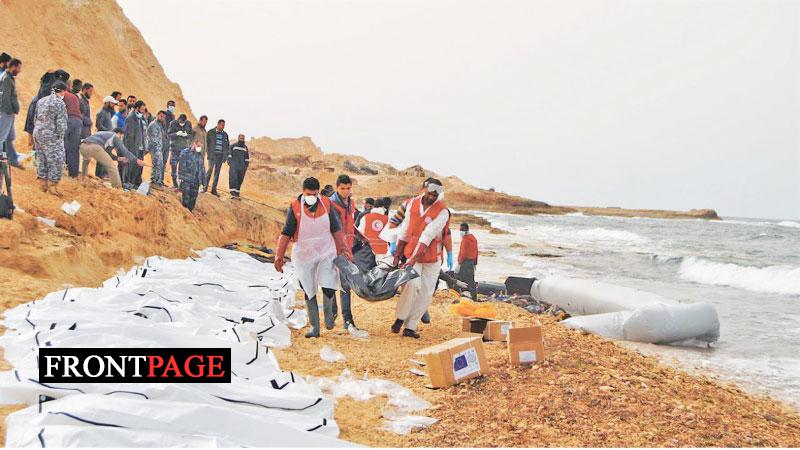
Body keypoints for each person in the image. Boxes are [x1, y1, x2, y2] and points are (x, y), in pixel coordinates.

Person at [274, 177, 352, 338]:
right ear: (303, 192)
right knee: (308, 289)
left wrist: (343, 248)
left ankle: (329, 316)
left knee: (329, 284)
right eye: (309, 194)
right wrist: (278, 256)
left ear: (318, 192)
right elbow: (286, 233)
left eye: (315, 194)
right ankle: (315, 328)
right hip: (304, 254)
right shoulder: (295, 207)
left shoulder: (326, 203)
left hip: (325, 250)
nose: (312, 197)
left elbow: (336, 228)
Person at [391, 179, 449, 338]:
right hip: (411, 252)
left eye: (435, 195)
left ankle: (410, 326)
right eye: (430, 193)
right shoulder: (412, 204)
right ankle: (400, 317)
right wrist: (397, 254)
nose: (432, 197)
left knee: (426, 293)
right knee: (411, 284)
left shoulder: (443, 212)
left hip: (432, 257)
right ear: (424, 189)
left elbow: (428, 235)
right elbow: (405, 230)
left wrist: (413, 259)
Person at [329, 174, 359, 330]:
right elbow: (335, 229)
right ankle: (332, 314)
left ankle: (347, 320)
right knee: (332, 283)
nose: (346, 191)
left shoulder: (351, 203)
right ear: (337, 188)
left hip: (347, 247)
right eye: (342, 188)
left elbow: (350, 224)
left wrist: (361, 236)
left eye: (348, 188)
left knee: (345, 284)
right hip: (334, 249)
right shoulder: (331, 204)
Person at [33, 81, 68, 195]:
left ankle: (42, 184)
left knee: (41, 157)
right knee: (57, 159)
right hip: (51, 135)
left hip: (38, 133)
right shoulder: (59, 103)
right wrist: (60, 137)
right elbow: (61, 123)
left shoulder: (41, 101)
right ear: (62, 91)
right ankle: (52, 185)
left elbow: (35, 118)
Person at [0, 58, 21, 169]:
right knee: (2, 137)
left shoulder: (8, 77)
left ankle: (12, 159)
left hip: (7, 113)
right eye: (19, 68)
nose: (19, 70)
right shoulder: (7, 79)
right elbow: (5, 97)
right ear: (13, 66)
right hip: (6, 113)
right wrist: (9, 112)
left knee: (9, 137)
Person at [61, 76, 83, 178]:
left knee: (62, 144)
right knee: (74, 148)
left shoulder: (63, 94)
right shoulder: (75, 97)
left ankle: (60, 168)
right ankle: (73, 174)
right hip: (78, 121)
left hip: (68, 119)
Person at [122, 100, 147, 188]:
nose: (143, 111)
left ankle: (134, 183)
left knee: (138, 166)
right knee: (130, 165)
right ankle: (127, 182)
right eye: (142, 109)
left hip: (140, 146)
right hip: (132, 146)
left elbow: (142, 133)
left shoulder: (140, 118)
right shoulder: (130, 118)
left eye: (144, 110)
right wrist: (128, 149)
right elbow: (128, 136)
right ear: (137, 108)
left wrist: (143, 145)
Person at [177, 140, 205, 211]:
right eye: (198, 146)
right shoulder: (186, 152)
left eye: (201, 146)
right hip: (187, 178)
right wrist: (180, 177)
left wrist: (203, 182)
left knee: (193, 198)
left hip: (196, 180)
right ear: (194, 144)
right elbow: (181, 165)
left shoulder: (200, 155)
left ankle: (190, 212)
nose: (199, 147)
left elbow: (202, 168)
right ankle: (185, 212)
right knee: (186, 196)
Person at [167, 113, 192, 187]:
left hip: (184, 150)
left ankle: (181, 185)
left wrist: (186, 135)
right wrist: (176, 134)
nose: (182, 124)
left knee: (183, 169)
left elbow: (191, 136)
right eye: (181, 122)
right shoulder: (173, 123)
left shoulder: (188, 124)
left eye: (183, 122)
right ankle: (175, 183)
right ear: (178, 119)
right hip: (174, 149)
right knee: (174, 166)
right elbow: (169, 135)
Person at [205, 119, 229, 195]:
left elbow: (227, 146)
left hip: (220, 156)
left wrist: (225, 156)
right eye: (222, 125)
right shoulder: (210, 132)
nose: (223, 127)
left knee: (217, 173)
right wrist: (208, 153)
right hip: (212, 155)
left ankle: (213, 190)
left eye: (224, 125)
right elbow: (206, 143)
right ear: (218, 124)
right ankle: (204, 187)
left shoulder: (225, 135)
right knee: (210, 170)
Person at [147, 110, 169, 187]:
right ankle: (153, 181)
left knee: (159, 164)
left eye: (163, 117)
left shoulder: (160, 125)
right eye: (161, 116)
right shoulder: (154, 124)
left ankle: (157, 181)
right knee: (157, 164)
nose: (162, 118)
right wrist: (157, 149)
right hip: (155, 148)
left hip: (159, 148)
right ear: (157, 115)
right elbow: (154, 139)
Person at [457, 222, 479, 300]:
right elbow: (476, 252)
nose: (460, 231)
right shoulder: (473, 238)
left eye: (462, 230)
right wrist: (475, 263)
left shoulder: (465, 239)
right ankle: (474, 297)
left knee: (459, 279)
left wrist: (459, 263)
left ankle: (459, 296)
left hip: (465, 262)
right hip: (471, 262)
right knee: (471, 280)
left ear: (466, 230)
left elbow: (463, 253)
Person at [228, 134, 249, 199]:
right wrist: (231, 163)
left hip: (242, 167)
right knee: (233, 179)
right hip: (234, 166)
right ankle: (233, 193)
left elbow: (247, 158)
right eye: (241, 138)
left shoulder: (245, 147)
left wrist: (246, 165)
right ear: (238, 138)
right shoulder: (233, 146)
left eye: (243, 138)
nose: (242, 139)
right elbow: (229, 155)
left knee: (240, 180)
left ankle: (237, 193)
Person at [192, 115, 208, 188]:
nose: (205, 123)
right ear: (200, 120)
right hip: (195, 152)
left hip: (202, 154)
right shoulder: (195, 129)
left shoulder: (204, 131)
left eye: (206, 122)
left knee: (200, 169)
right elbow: (190, 140)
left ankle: (199, 185)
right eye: (204, 121)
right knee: (195, 169)